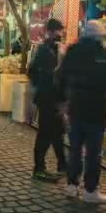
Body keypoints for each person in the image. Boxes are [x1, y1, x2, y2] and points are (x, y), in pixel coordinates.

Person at [60, 21, 106, 204]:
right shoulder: (103, 55)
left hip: (76, 106)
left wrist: (63, 100)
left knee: (75, 148)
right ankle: (90, 190)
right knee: (93, 152)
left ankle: (71, 185)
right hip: (95, 109)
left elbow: (61, 76)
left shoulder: (73, 51)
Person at [28, 18, 67, 182]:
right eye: (58, 32)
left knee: (56, 133)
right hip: (48, 98)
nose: (61, 35)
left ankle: (62, 165)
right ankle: (39, 168)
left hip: (50, 98)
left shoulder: (50, 49)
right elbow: (39, 73)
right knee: (45, 134)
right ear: (51, 32)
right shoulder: (46, 51)